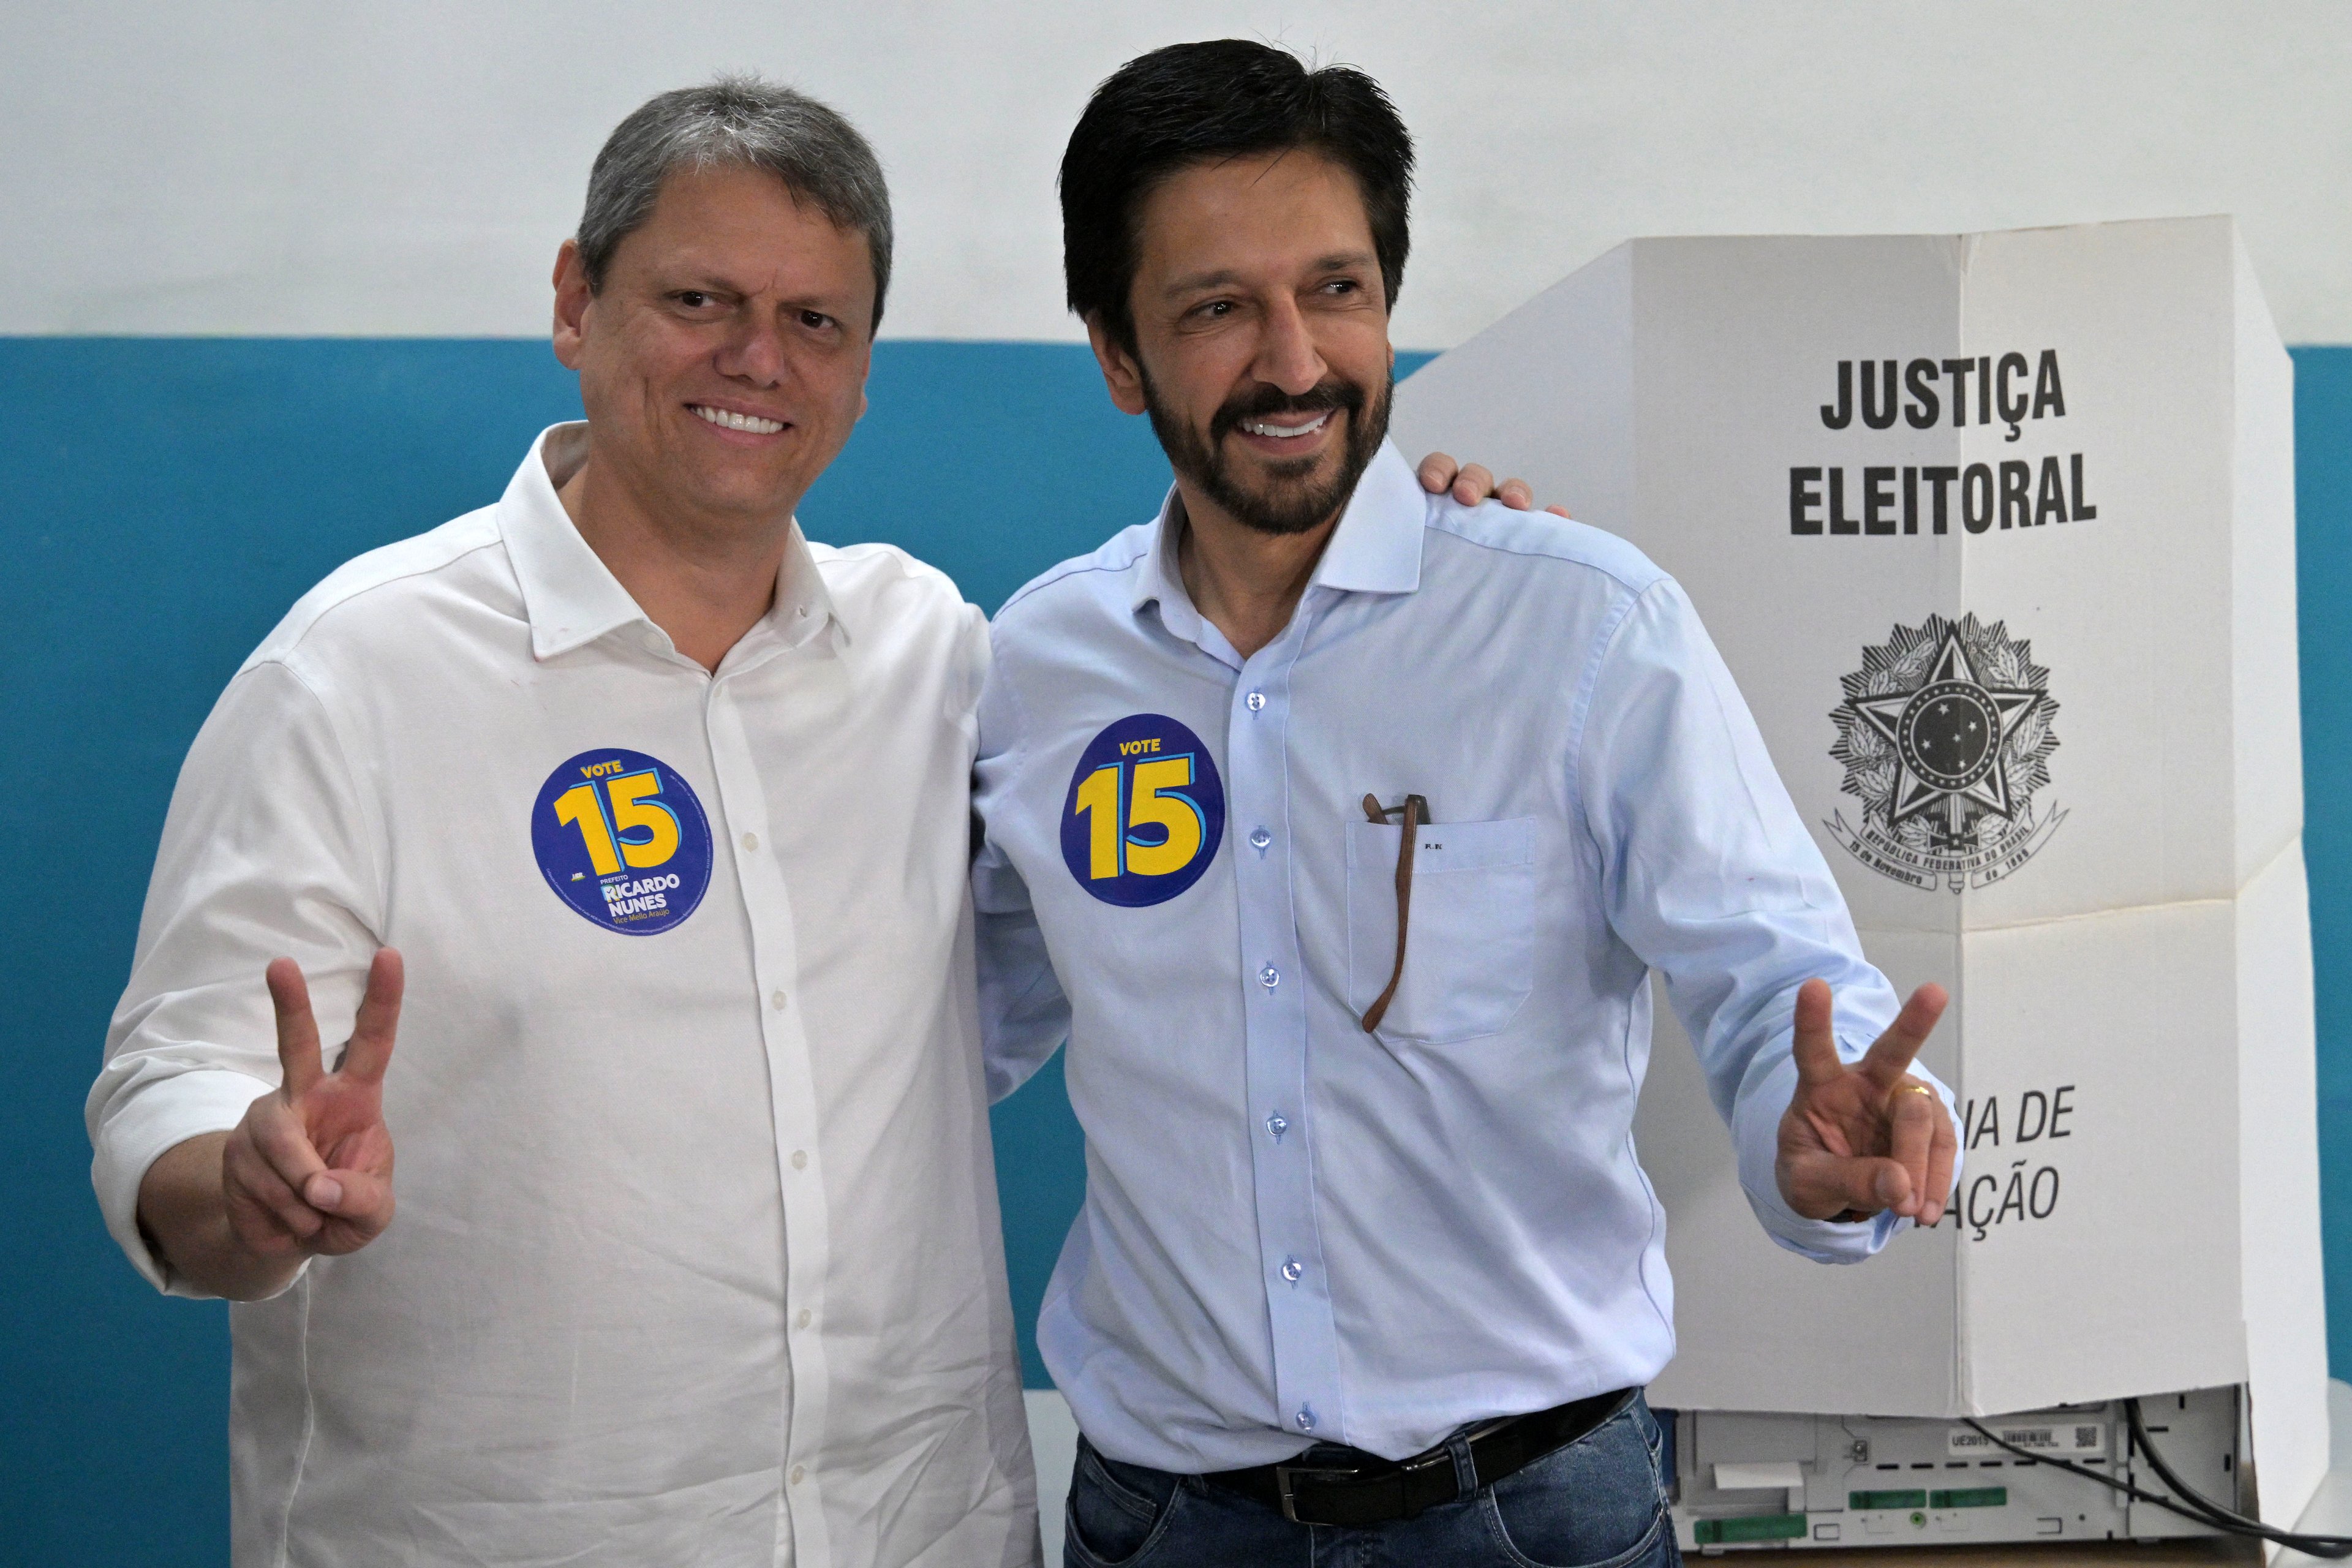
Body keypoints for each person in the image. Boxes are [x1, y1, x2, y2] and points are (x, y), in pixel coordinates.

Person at [88, 72, 1538, 1566]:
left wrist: (1422, 540)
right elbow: (174, 1080)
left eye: (816, 322)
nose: (756, 358)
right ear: (577, 302)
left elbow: (1211, 822)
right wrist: (247, 1187)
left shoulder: (937, 659)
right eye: (701, 298)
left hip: (915, 1528)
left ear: (860, 372)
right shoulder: (355, 674)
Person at [971, 40, 1964, 1567]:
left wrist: (1815, 1138)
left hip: (1533, 1512)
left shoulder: (1578, 623)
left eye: (1338, 289)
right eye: (1217, 307)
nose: (1295, 359)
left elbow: (1778, 980)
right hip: (1166, 1520)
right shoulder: (1043, 666)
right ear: (1117, 353)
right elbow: (936, 1032)